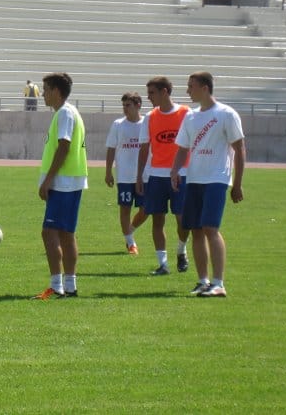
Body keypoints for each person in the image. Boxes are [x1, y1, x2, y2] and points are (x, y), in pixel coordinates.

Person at [171, 72, 245, 298]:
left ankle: (218, 283)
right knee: (195, 229)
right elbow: (183, 148)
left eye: (191, 86)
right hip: (194, 179)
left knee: (210, 228)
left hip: (216, 179)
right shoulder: (190, 116)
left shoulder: (226, 114)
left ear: (204, 88)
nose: (187, 91)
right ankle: (203, 281)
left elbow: (239, 148)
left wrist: (237, 183)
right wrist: (175, 171)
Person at [33, 73, 88, 300]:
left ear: (56, 91)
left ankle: (57, 285)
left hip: (63, 182)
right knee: (66, 234)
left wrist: (48, 180)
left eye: (45, 89)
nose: (43, 94)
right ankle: (70, 285)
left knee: (49, 232)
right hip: (72, 180)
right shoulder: (69, 112)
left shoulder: (65, 112)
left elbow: (63, 146)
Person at [136, 76, 191, 275]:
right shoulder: (150, 117)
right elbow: (144, 148)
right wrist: (139, 176)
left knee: (182, 219)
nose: (148, 97)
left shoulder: (186, 113)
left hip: (182, 174)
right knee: (157, 219)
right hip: (156, 175)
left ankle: (181, 251)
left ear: (164, 92)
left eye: (152, 93)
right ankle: (163, 264)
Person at [104, 92, 148, 255]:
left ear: (138, 105)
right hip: (124, 176)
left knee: (146, 210)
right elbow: (111, 148)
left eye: (128, 105)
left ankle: (129, 230)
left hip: (144, 176)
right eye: (123, 105)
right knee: (125, 209)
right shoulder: (118, 124)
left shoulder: (147, 123)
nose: (125, 108)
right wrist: (108, 172)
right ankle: (131, 243)